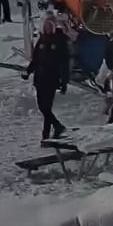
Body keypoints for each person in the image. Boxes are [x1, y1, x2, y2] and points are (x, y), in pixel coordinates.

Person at [24, 12, 70, 142]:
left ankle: (46, 135)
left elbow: (64, 63)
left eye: (50, 24)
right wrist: (28, 71)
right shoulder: (42, 40)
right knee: (42, 107)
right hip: (40, 78)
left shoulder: (60, 40)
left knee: (46, 107)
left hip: (52, 78)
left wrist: (64, 81)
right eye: (46, 24)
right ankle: (57, 127)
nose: (48, 27)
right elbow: (36, 59)